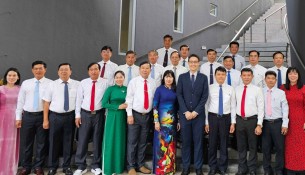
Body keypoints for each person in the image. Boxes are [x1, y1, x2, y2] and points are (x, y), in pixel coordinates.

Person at [42, 63, 80, 175]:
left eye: (66, 69)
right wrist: (45, 119)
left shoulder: (77, 84)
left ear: (70, 71)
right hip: (55, 116)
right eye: (61, 70)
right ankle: (52, 167)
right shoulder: (52, 85)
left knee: (68, 142)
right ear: (58, 72)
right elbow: (46, 103)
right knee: (53, 141)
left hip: (70, 116)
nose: (64, 71)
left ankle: (66, 166)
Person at [16, 61, 52, 175]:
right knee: (27, 143)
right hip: (27, 116)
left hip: (43, 116)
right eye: (35, 68)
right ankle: (26, 167)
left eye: (40, 68)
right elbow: (20, 101)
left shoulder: (51, 83)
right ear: (32, 70)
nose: (38, 70)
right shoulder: (26, 83)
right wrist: (18, 117)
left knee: (41, 143)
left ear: (45, 69)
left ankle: (38, 167)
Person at [74, 62, 109, 175]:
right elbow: (78, 100)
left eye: (96, 69)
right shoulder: (83, 83)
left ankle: (96, 165)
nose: (94, 71)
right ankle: (80, 165)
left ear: (99, 70)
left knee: (97, 140)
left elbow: (108, 99)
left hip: (99, 114)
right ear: (88, 71)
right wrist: (77, 115)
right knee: (82, 140)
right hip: (85, 114)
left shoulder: (105, 83)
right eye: (91, 69)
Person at [177, 54, 209, 175]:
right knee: (185, 142)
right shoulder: (182, 77)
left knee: (198, 142)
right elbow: (179, 95)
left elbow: (204, 96)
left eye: (196, 62)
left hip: (198, 116)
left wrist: (195, 112)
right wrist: (185, 111)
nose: (193, 64)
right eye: (191, 62)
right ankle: (185, 167)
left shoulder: (203, 78)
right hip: (185, 116)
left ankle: (198, 167)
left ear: (198, 63)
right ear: (188, 63)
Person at [126, 61, 157, 175]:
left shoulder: (153, 83)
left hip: (147, 116)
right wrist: (129, 114)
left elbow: (154, 101)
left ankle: (140, 165)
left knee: (143, 142)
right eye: (143, 68)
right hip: (135, 115)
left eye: (147, 68)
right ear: (139, 70)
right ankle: (130, 166)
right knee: (132, 142)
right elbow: (129, 99)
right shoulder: (133, 82)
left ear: (150, 70)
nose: (145, 70)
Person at [205, 66, 236, 175]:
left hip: (225, 118)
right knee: (212, 143)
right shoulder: (209, 87)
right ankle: (212, 167)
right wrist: (206, 122)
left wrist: (233, 122)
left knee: (224, 143)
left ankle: (223, 167)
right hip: (212, 117)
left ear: (225, 76)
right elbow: (206, 105)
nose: (221, 76)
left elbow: (233, 106)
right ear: (215, 75)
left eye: (223, 74)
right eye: (218, 74)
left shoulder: (230, 88)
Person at [235, 68, 264, 175]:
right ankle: (242, 168)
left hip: (252, 121)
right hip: (239, 120)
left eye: (248, 75)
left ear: (252, 77)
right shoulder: (236, 89)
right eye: (244, 75)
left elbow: (261, 108)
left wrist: (259, 124)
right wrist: (234, 122)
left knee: (253, 146)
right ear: (241, 76)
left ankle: (252, 168)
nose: (246, 77)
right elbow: (234, 105)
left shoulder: (257, 89)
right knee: (241, 146)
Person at [153, 70, 180, 175]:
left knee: (171, 145)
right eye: (167, 77)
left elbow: (177, 107)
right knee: (161, 145)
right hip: (161, 123)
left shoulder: (175, 90)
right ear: (163, 78)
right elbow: (155, 106)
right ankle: (160, 170)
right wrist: (156, 121)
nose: (169, 79)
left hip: (172, 123)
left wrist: (178, 121)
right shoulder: (159, 90)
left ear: (173, 79)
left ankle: (170, 169)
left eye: (171, 77)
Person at [262, 71, 288, 175]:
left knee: (280, 148)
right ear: (265, 80)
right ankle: (267, 170)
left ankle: (278, 170)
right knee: (266, 148)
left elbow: (285, 108)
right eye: (268, 78)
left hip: (278, 123)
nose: (271, 80)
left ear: (276, 80)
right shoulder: (260, 91)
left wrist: (285, 123)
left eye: (273, 78)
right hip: (265, 124)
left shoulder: (281, 92)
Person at [101, 70, 128, 175]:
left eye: (121, 77)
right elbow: (104, 104)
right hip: (112, 116)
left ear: (124, 78)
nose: (119, 79)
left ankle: (118, 167)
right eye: (117, 77)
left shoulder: (127, 89)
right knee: (110, 140)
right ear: (114, 78)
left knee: (120, 140)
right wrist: (117, 106)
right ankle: (108, 168)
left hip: (123, 117)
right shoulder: (110, 89)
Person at [280, 67, 305, 174]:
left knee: (301, 145)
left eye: (295, 73)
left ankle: (301, 168)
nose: (292, 76)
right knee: (288, 145)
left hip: (300, 121)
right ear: (287, 76)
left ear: (298, 75)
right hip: (286, 121)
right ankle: (289, 168)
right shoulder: (282, 88)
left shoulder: (303, 88)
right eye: (290, 74)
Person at [0, 68, 21, 174]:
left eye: (14, 75)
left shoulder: (20, 89)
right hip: (2, 118)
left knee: (12, 144)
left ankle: (10, 169)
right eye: (9, 75)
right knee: (1, 142)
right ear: (6, 76)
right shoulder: (1, 89)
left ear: (18, 77)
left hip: (16, 119)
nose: (11, 77)